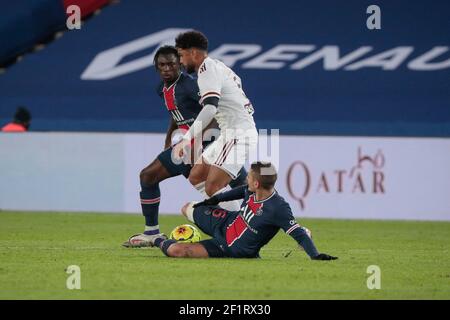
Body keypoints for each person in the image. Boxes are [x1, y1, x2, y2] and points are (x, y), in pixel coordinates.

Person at [123, 46, 247, 248]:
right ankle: (152, 233)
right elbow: (176, 114)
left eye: (171, 64)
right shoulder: (161, 89)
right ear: (156, 67)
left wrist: (202, 141)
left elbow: (213, 112)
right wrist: (168, 141)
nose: (167, 68)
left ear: (180, 64)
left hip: (208, 144)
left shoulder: (189, 85)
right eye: (162, 65)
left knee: (238, 188)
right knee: (148, 176)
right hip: (186, 147)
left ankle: (244, 230)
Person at [149, 161, 338, 261]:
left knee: (176, 251)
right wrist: (215, 200)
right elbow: (241, 191)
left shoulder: (278, 208)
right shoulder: (253, 189)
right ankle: (189, 228)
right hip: (225, 222)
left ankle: (155, 239)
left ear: (256, 183)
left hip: (227, 248)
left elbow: (298, 233)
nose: (246, 179)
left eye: (248, 177)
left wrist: (315, 255)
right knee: (186, 208)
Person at [173, 30, 259, 213]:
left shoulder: (206, 70)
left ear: (193, 53)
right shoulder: (218, 66)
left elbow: (210, 108)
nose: (180, 61)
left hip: (238, 133)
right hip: (230, 133)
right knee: (196, 176)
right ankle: (236, 224)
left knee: (213, 187)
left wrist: (186, 139)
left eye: (181, 55)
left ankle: (238, 230)